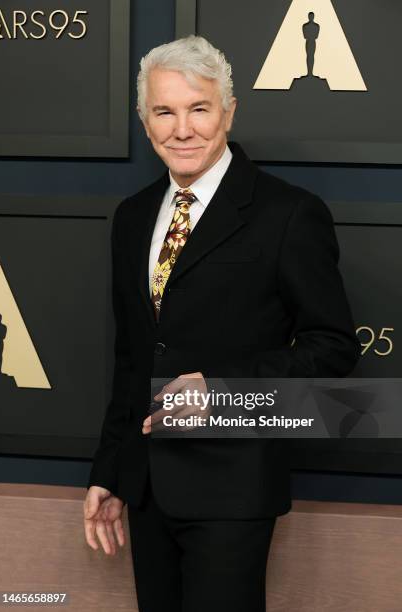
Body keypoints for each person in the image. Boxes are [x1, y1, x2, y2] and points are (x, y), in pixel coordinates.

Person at [83, 35, 360, 612]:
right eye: (164, 111)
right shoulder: (132, 217)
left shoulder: (287, 214)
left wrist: (222, 391)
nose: (182, 129)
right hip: (148, 489)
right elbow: (134, 358)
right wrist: (111, 473)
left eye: (199, 108)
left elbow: (331, 348)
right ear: (144, 120)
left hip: (233, 488)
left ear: (229, 111)